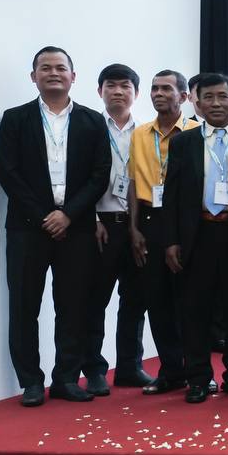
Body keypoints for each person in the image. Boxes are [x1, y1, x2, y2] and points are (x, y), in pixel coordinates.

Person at [0, 47, 112, 406]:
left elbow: (100, 175)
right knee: (24, 306)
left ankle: (66, 378)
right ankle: (31, 382)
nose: (53, 73)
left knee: (73, 305)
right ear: (33, 77)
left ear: (73, 76)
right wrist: (44, 216)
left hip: (76, 228)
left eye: (60, 67)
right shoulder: (15, 119)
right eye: (44, 68)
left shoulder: (93, 121)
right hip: (27, 228)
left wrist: (68, 214)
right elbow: (7, 172)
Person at [161, 73, 228, 404]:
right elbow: (171, 194)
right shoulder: (183, 142)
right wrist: (171, 240)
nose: (216, 103)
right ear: (197, 103)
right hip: (196, 234)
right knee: (194, 310)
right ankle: (198, 378)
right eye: (208, 97)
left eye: (222, 96)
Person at [129, 70, 199, 395]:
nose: (158, 93)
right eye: (154, 88)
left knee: (191, 299)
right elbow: (133, 182)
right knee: (156, 300)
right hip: (150, 219)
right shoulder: (140, 133)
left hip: (187, 219)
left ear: (184, 96)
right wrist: (133, 227)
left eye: (166, 89)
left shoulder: (197, 132)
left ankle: (197, 371)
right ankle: (171, 371)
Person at [81, 63, 144, 394]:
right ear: (99, 91)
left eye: (125, 86)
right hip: (100, 225)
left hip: (135, 226)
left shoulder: (145, 133)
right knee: (94, 300)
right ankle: (93, 369)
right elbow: (78, 177)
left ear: (136, 92)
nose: (118, 91)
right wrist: (91, 218)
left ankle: (130, 367)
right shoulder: (88, 127)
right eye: (111, 85)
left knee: (134, 300)